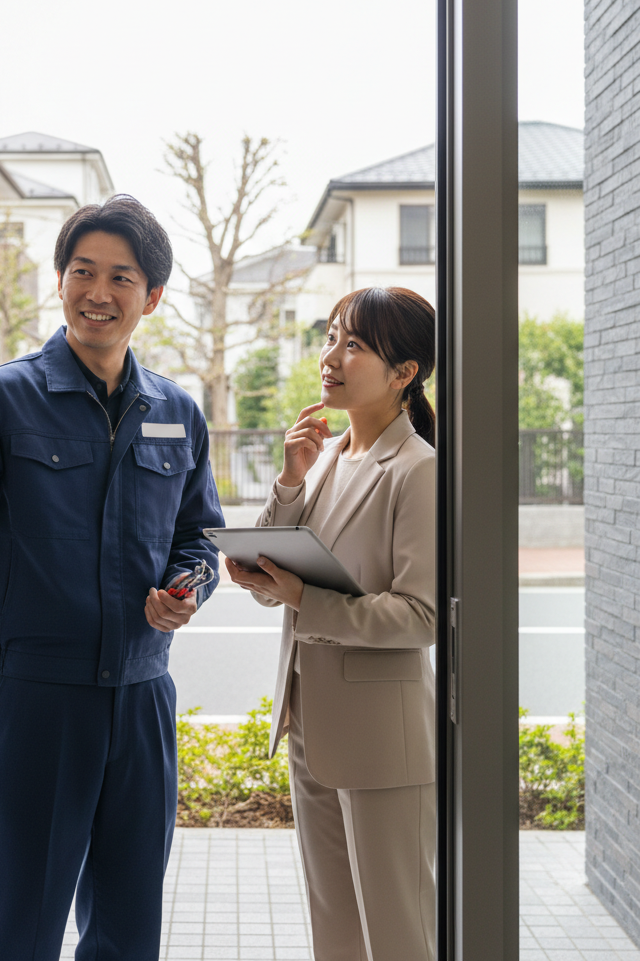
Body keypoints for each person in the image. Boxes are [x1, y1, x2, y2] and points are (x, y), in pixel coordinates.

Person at [0, 194, 224, 961]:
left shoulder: (177, 409)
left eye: (120, 277)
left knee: (128, 928)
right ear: (60, 279)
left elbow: (198, 537)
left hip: (142, 697)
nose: (97, 292)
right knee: (20, 928)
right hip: (38, 700)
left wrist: (187, 589)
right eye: (82, 271)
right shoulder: (2, 396)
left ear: (153, 297)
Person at [227, 286, 436, 961]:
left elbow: (420, 617)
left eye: (354, 344)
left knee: (397, 933)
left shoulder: (418, 471)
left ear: (404, 373)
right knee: (335, 931)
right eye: (330, 338)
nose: (331, 357)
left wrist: (302, 601)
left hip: (383, 743)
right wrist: (289, 481)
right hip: (312, 726)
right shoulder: (327, 460)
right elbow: (277, 582)